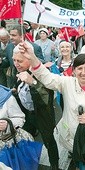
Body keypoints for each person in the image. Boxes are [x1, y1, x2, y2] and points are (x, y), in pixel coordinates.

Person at [17, 41, 85, 170]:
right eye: (79, 68)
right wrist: (32, 57)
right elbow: (46, 77)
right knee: (77, 163)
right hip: (70, 140)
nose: (83, 72)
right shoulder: (67, 83)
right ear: (73, 70)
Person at [12, 42, 59, 170]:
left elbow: (45, 98)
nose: (16, 64)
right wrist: (15, 91)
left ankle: (55, 165)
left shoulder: (42, 72)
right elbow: (18, 88)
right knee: (24, 140)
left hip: (43, 115)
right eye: (14, 60)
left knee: (49, 142)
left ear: (29, 58)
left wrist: (32, 82)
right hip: (27, 115)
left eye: (20, 61)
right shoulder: (19, 71)